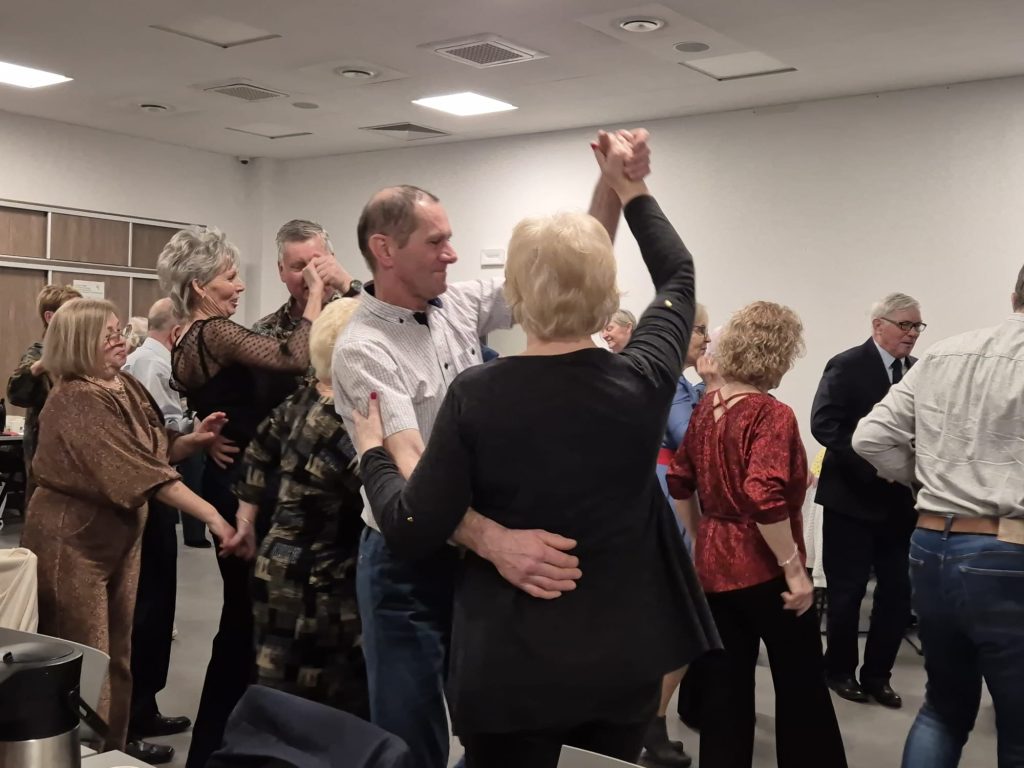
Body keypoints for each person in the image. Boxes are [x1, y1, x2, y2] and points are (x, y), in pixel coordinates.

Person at [349, 130, 718, 768]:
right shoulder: (645, 377)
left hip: (511, 647)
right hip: (612, 648)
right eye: (437, 242)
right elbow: (675, 274)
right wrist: (629, 187)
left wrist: (370, 452)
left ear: (517, 300)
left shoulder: (476, 390)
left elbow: (411, 516)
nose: (450, 254)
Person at [18, 298, 236, 760]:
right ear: (81, 342)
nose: (121, 340)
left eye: (120, 330)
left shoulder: (123, 384)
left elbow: (152, 449)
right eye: (108, 334)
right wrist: (213, 517)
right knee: (85, 648)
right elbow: (137, 470)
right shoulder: (76, 397)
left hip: (116, 538)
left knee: (119, 646)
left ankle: (114, 744)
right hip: (72, 539)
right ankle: (83, 751)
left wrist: (193, 440)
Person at [158, 226, 324, 768]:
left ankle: (222, 745)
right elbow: (293, 355)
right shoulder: (215, 331)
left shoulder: (186, 337)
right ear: (199, 285)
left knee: (243, 618)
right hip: (244, 489)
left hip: (231, 476)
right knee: (248, 622)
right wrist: (317, 296)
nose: (239, 287)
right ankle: (230, 746)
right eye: (230, 277)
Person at [853, 266, 1024, 768]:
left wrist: (925, 480)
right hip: (1008, 552)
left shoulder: (944, 353)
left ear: (1014, 295)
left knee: (943, 710)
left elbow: (869, 438)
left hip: (931, 546)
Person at [667, 301, 847, 768]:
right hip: (765, 570)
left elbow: (680, 482)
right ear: (778, 354)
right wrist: (795, 571)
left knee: (724, 691)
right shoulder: (771, 414)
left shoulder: (707, 408)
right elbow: (763, 497)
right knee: (802, 686)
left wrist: (701, 537)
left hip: (714, 567)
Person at [233, 298, 368, 713]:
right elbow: (387, 498)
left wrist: (246, 521)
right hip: (321, 582)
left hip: (276, 563)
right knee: (322, 703)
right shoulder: (346, 426)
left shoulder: (301, 400)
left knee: (276, 689)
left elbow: (257, 451)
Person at [811, 292, 925, 708]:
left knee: (897, 594)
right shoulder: (846, 365)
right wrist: (874, 466)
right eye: (905, 325)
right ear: (879, 326)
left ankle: (878, 675)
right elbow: (825, 425)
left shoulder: (919, 372)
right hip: (851, 501)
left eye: (917, 326)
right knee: (847, 592)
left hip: (900, 505)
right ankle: (839, 670)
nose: (912, 334)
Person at [120, 298, 194, 757]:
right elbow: (156, 439)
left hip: (156, 495)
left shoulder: (148, 363)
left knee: (159, 605)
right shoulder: (151, 364)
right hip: (148, 497)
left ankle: (145, 707)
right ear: (180, 331)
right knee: (146, 609)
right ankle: (130, 718)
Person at [643, 303, 711, 768]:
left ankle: (650, 720)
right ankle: (650, 720)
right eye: (700, 329)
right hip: (670, 498)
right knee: (685, 619)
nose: (706, 338)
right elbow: (692, 440)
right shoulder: (670, 382)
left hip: (665, 494)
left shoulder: (674, 381)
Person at [6, 283, 82, 504]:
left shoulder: (83, 355)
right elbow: (16, 394)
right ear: (50, 317)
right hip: (48, 457)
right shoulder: (37, 354)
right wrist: (40, 367)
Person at [253, 219, 362, 342]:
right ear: (281, 270)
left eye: (317, 262)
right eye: (298, 266)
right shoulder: (264, 331)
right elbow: (299, 353)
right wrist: (315, 293)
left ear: (333, 260)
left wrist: (347, 283)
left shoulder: (355, 312)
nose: (311, 272)